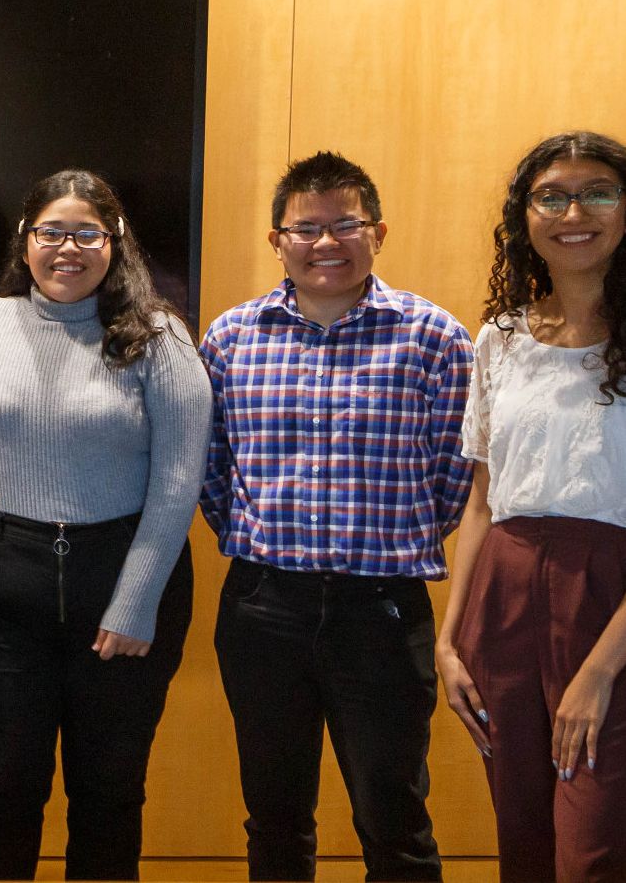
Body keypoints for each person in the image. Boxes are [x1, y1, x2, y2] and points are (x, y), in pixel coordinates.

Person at [200, 151, 473, 881]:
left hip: (380, 609)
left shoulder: (434, 338)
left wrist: (389, 540)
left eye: (345, 224)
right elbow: (209, 469)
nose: (326, 243)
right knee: (274, 815)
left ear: (376, 232)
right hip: (263, 606)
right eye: (306, 228)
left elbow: (456, 475)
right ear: (276, 240)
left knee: (393, 813)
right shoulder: (230, 339)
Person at [0, 169, 209, 880]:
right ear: (24, 239)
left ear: (114, 239)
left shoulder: (158, 336)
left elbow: (179, 479)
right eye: (51, 233)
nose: (68, 249)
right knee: (3, 785)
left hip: (122, 580)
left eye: (86, 233)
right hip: (1, 586)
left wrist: (134, 602)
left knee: (107, 791)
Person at [435, 130, 626, 882]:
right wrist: (451, 640)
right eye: (550, 195)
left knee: (593, 850)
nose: (572, 210)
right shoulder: (500, 339)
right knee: (521, 838)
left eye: (597, 192)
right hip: (502, 602)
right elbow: (484, 499)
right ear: (524, 216)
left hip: (608, 604)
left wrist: (600, 672)